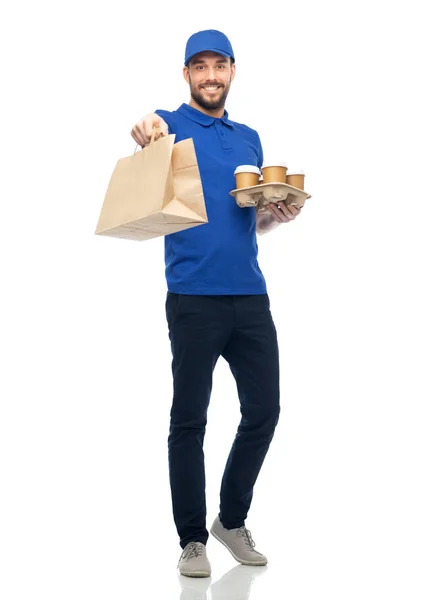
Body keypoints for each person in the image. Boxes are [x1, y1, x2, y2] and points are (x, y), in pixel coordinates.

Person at [131, 30, 303, 578]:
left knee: (265, 410)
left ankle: (230, 520)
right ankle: (191, 540)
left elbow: (246, 222)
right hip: (192, 297)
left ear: (233, 71)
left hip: (250, 295)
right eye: (199, 66)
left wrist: (275, 216)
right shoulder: (170, 121)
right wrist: (147, 128)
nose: (210, 75)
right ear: (186, 75)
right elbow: (145, 128)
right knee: (190, 419)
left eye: (219, 65)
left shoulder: (249, 138)